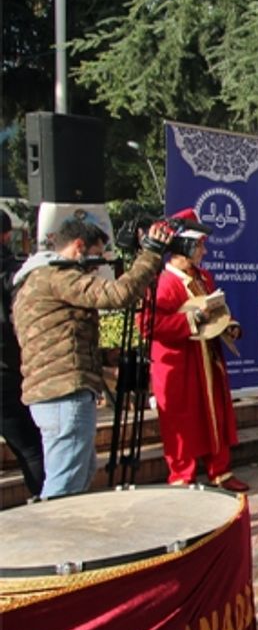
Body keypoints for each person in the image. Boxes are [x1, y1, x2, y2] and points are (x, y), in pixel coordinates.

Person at [13, 212, 173, 499]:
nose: (95, 269)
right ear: (78, 246)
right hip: (64, 394)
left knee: (79, 473)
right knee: (65, 485)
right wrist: (150, 254)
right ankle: (54, 540)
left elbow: (54, 340)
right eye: (95, 258)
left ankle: (62, 536)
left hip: (52, 391)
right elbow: (118, 295)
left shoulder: (33, 280)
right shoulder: (57, 275)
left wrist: (104, 357)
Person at [142, 210, 248, 492]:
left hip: (207, 360)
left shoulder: (203, 277)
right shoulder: (161, 282)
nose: (204, 250)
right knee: (182, 419)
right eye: (200, 244)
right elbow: (150, 325)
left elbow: (217, 309)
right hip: (179, 364)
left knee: (216, 415)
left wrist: (230, 326)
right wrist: (193, 318)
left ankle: (220, 471)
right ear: (184, 247)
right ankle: (182, 476)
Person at [0, 211, 44, 498]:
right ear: (6, 235)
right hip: (7, 371)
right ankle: (53, 511)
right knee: (32, 449)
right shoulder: (15, 274)